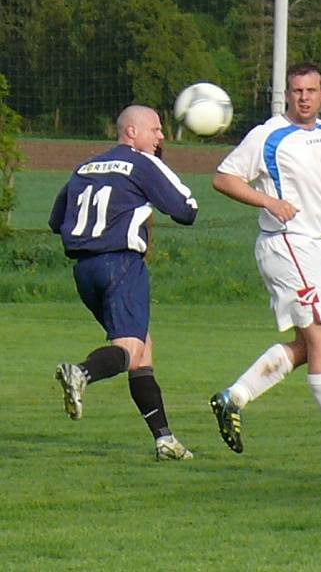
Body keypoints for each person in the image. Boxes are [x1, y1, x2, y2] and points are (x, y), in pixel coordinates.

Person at [208, 62, 321, 465]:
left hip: (314, 247)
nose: (304, 97)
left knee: (311, 346)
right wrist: (268, 201)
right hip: (286, 243)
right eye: (296, 91)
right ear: (287, 95)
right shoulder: (269, 135)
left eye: (311, 90)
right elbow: (224, 178)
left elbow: (309, 190)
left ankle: (232, 398)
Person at [48, 105, 198, 460]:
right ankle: (80, 372)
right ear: (132, 132)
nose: (161, 137)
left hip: (84, 272)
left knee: (141, 350)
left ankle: (165, 440)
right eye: (156, 130)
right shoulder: (142, 163)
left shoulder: (84, 167)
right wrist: (159, 168)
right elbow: (186, 210)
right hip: (121, 264)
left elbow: (57, 221)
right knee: (130, 349)